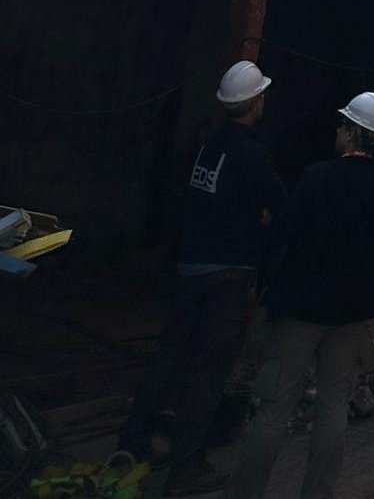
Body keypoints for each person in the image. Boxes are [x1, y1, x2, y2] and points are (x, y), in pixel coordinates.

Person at [225, 92, 374, 499]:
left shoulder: (317, 178)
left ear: (353, 132)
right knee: (334, 405)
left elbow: (283, 235)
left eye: (343, 125)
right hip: (351, 312)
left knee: (274, 405)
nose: (337, 131)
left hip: (302, 309)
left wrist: (267, 286)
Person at [119, 60, 284, 496]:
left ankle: (132, 446)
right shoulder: (252, 155)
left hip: (192, 269)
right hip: (228, 276)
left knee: (169, 360)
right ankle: (186, 468)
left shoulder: (210, 146)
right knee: (208, 374)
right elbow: (275, 209)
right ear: (254, 102)